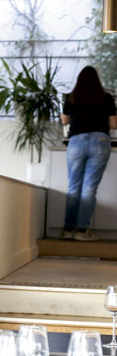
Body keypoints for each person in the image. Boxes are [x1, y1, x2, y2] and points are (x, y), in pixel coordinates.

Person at [60, 66, 117, 241]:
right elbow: (114, 124)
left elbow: (64, 120)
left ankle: (68, 229)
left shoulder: (72, 97)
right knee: (89, 187)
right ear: (97, 80)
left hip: (76, 141)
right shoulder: (106, 97)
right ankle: (82, 231)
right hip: (100, 141)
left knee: (73, 187)